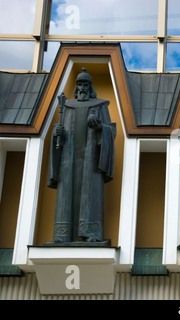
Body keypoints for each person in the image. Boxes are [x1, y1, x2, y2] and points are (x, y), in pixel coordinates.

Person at [47, 67, 116, 244]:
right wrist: (57, 132)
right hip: (68, 160)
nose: (82, 87)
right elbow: (59, 135)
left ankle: (90, 233)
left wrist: (100, 127)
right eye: (80, 84)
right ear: (76, 86)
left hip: (90, 160)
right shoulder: (67, 106)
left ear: (90, 87)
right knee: (66, 194)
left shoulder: (99, 105)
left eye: (86, 84)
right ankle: (63, 235)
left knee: (90, 193)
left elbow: (111, 130)